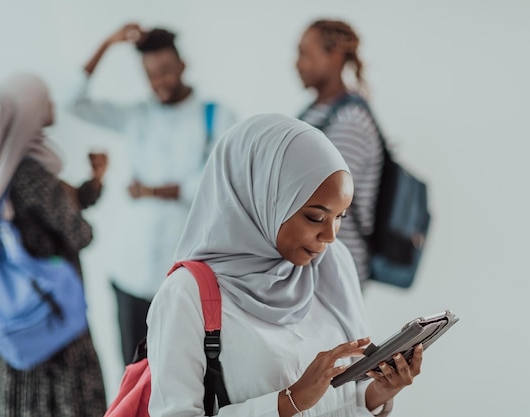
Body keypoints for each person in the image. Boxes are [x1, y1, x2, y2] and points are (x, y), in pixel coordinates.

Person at [146, 114, 423, 416]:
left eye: (340, 216)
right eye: (315, 217)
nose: (330, 236)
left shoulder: (332, 264)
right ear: (262, 198)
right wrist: (289, 401)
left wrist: (377, 394)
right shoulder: (186, 294)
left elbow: (346, 397)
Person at [64, 23, 237, 365]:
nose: (159, 81)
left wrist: (153, 189)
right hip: (130, 274)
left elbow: (222, 186)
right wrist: (107, 42)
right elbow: (72, 102)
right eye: (151, 74)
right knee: (132, 375)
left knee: (184, 374)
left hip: (183, 278)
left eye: (166, 71)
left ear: (182, 65)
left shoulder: (216, 116)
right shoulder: (136, 116)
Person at [0, 73, 108, 417]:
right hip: (55, 323)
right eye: (44, 100)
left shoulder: (6, 166)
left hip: (27, 320)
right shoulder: (32, 173)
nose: (51, 105)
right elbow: (79, 233)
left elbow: (56, 211)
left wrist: (92, 185)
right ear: (27, 111)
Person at [297, 20, 384, 287]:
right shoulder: (315, 111)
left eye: (305, 54)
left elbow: (327, 193)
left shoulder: (350, 120)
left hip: (334, 265)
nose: (297, 63)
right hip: (314, 259)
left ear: (333, 56)